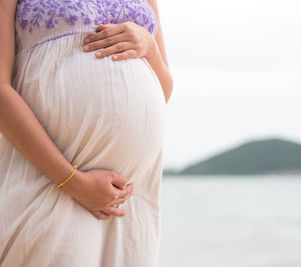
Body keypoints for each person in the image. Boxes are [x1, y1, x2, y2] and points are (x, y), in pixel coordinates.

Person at [0, 0, 173, 266]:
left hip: (130, 196)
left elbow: (164, 90)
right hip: (50, 180)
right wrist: (71, 180)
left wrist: (150, 49)